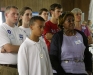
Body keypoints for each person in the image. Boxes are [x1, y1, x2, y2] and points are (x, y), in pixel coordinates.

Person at [0, 6, 26, 75]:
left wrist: (13, 47)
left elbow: (28, 48)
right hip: (6, 68)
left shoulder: (21, 31)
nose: (16, 16)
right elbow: (9, 49)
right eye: (13, 14)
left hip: (20, 68)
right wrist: (23, 48)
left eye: (17, 14)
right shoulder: (2, 29)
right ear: (6, 15)